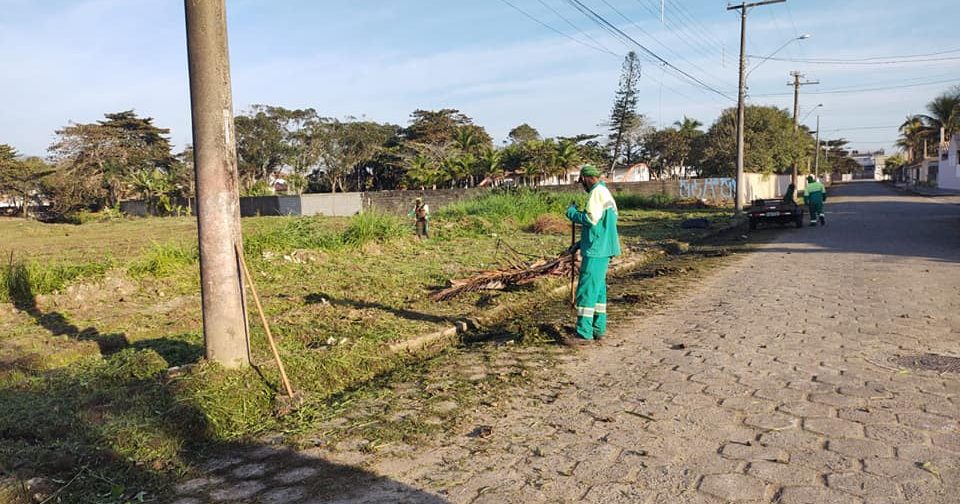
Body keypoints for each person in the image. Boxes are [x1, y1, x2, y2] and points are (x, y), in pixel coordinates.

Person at [565, 164, 621, 343]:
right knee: (598, 290)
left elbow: (590, 219)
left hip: (596, 250)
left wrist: (572, 213)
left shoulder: (596, 193)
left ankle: (584, 333)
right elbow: (601, 226)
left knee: (587, 290)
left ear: (587, 178)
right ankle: (598, 328)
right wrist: (580, 243)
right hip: (603, 247)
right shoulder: (606, 193)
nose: (583, 186)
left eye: (582, 182)